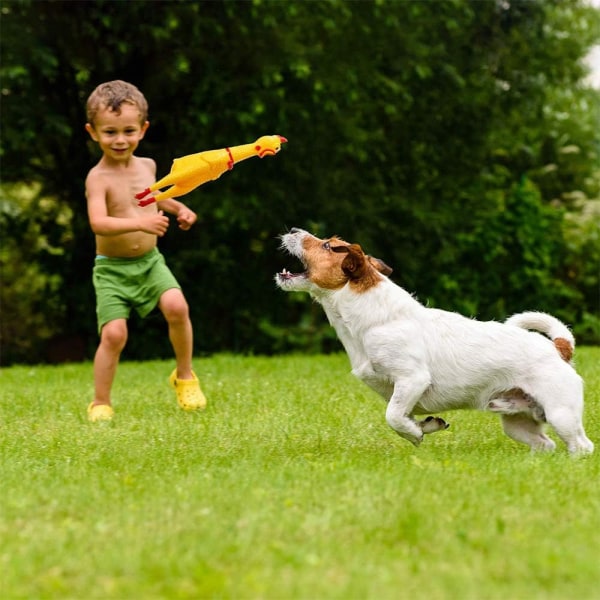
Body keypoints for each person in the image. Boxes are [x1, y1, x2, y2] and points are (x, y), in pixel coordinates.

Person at [84, 80, 206, 421]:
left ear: (143, 129)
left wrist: (177, 208)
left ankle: (185, 376)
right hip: (112, 269)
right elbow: (98, 222)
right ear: (93, 132)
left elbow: (153, 197)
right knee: (114, 333)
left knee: (177, 306)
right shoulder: (98, 178)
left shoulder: (147, 166)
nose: (120, 139)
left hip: (150, 262)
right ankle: (100, 402)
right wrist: (141, 224)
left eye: (128, 131)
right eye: (109, 132)